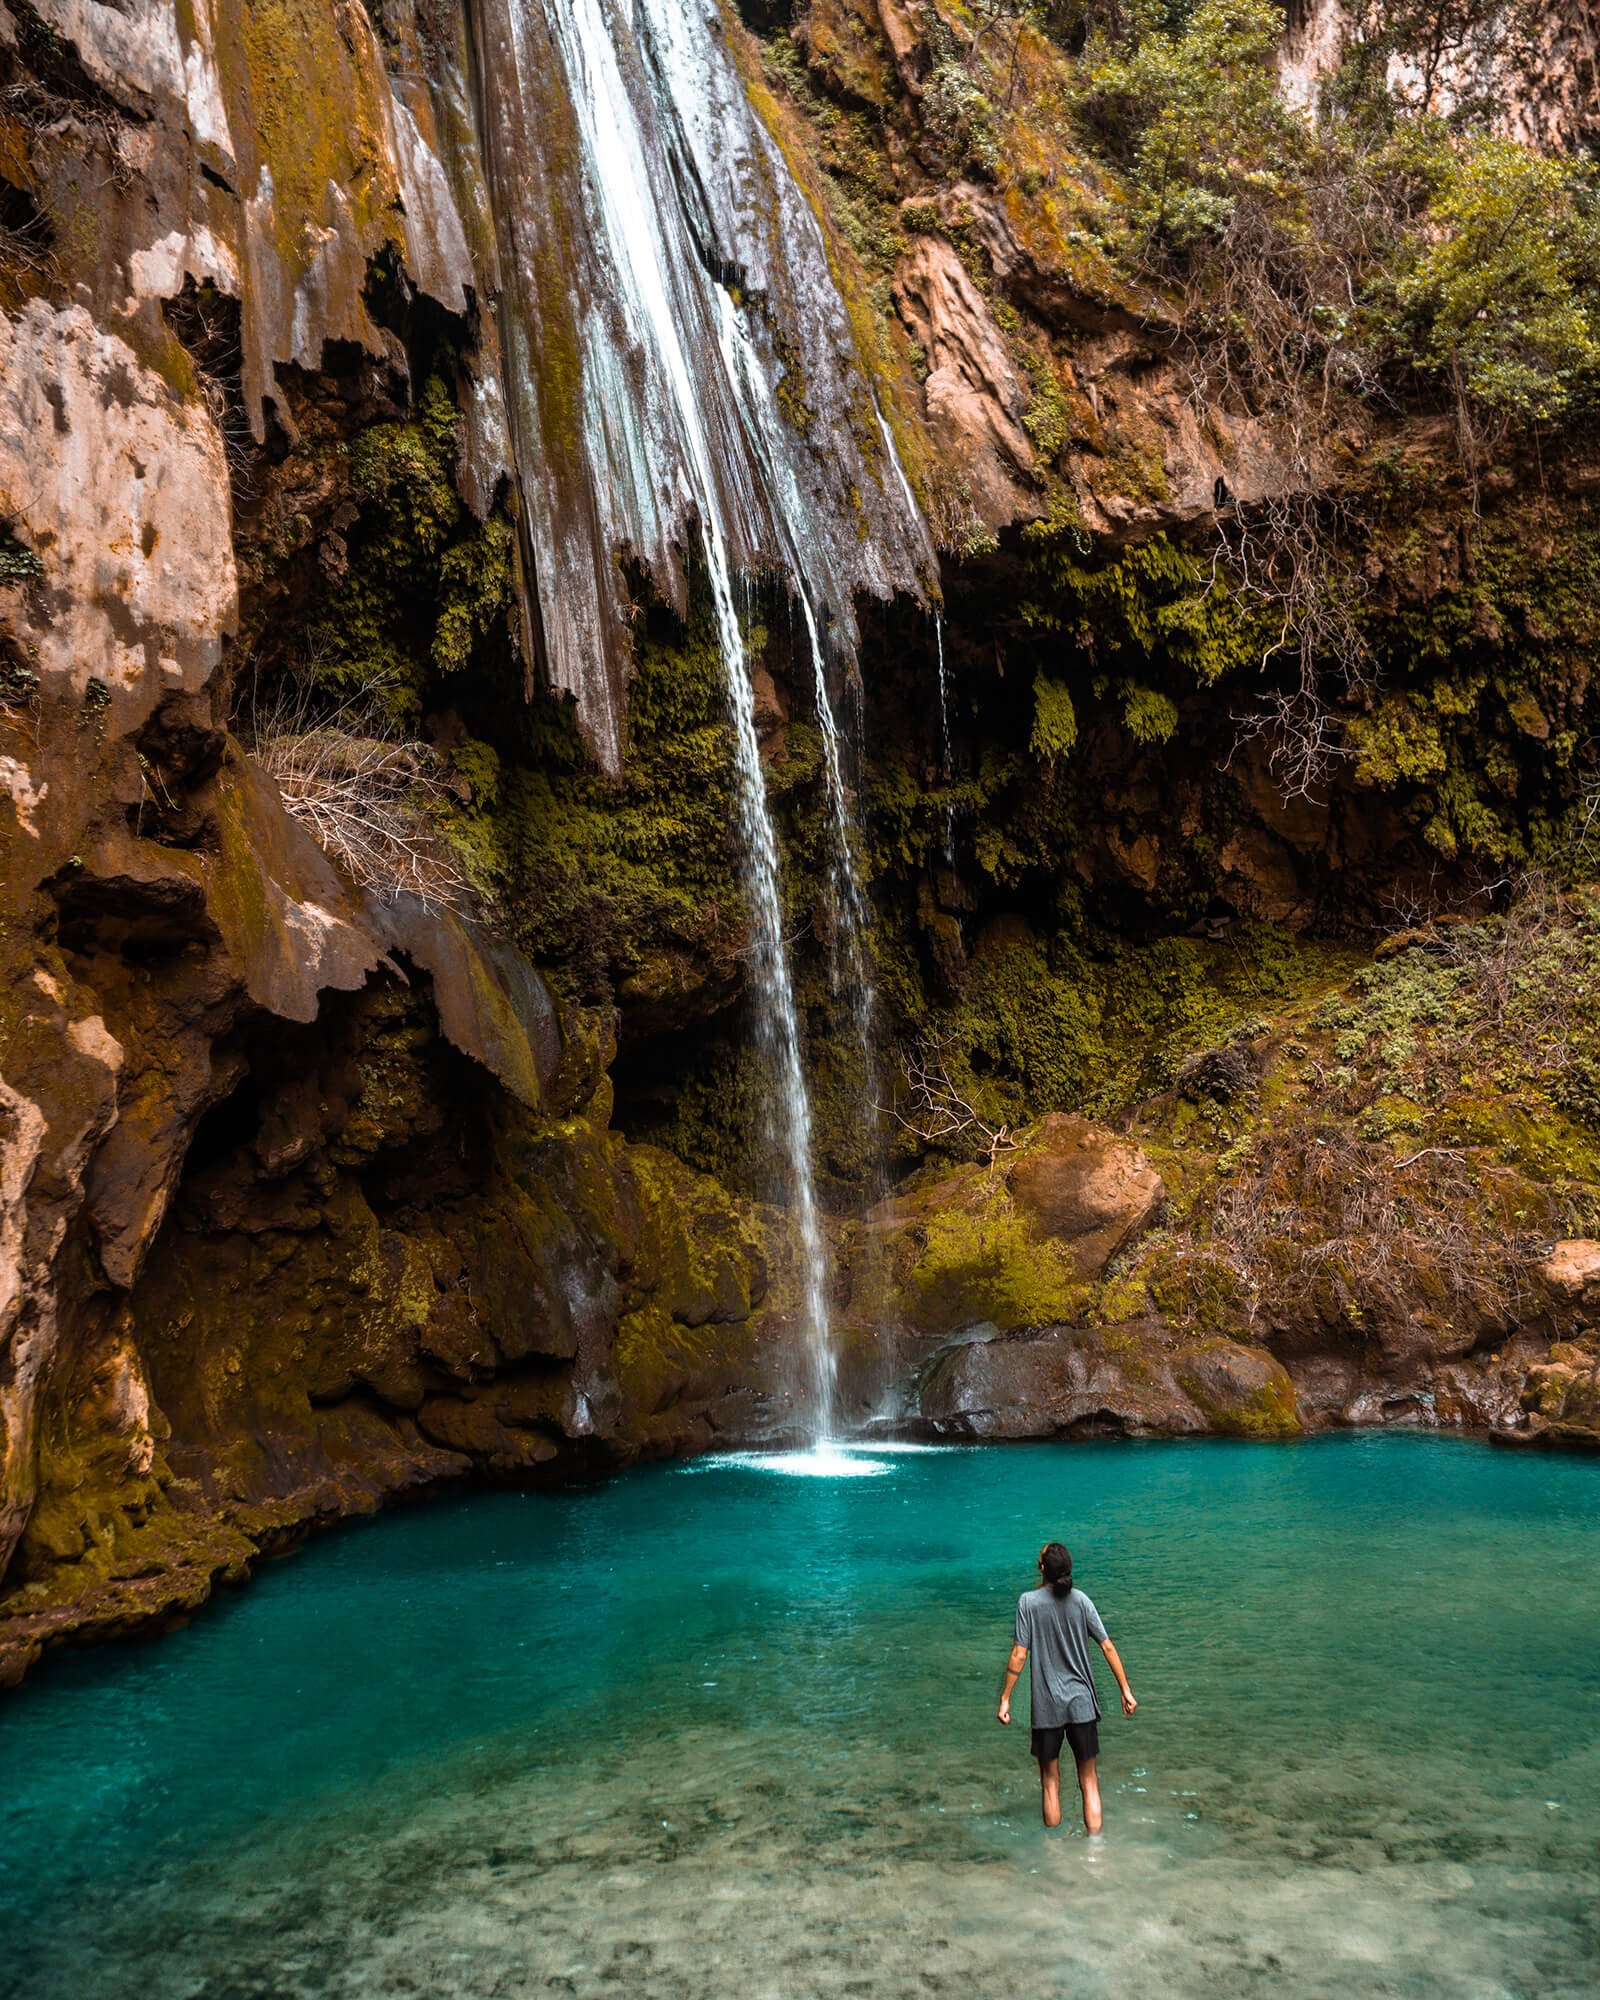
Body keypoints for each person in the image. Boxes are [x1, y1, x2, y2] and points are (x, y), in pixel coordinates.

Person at [996, 1541, 1136, 1832]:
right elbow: (1107, 1646)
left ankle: (1054, 1857)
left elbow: (1020, 1654)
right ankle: (1095, 1851)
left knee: (1050, 1782)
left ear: (1043, 1569)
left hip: (1047, 1706)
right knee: (1089, 1781)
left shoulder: (1028, 1603)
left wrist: (1006, 1698)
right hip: (1082, 1702)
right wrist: (1125, 1689)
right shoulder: (1082, 1601)